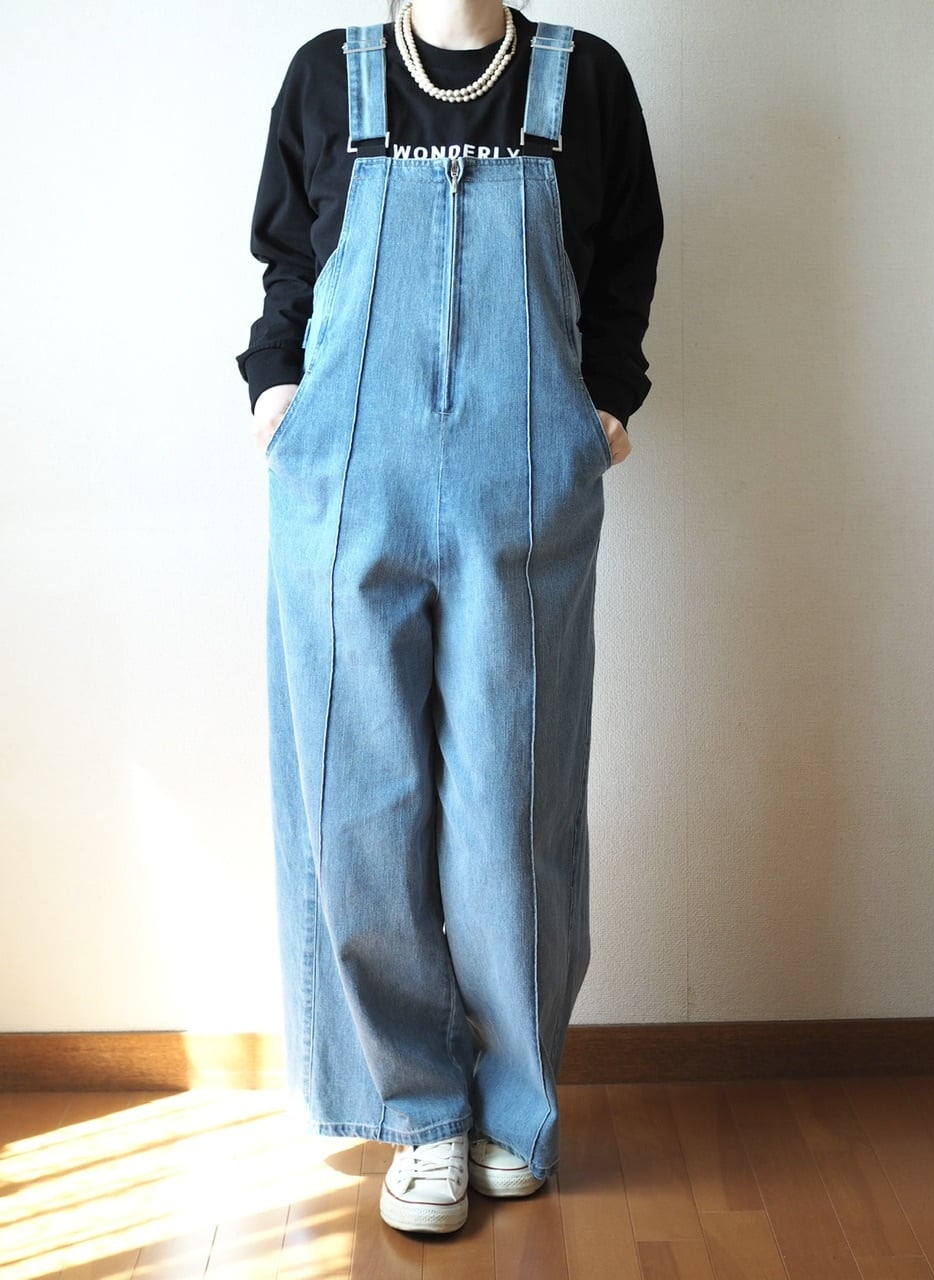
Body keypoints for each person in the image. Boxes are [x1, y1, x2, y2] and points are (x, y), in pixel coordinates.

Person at [237, 0, 662, 1235]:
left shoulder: (584, 80)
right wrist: (275, 388)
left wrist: (608, 395)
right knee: (356, 803)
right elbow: (288, 256)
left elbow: (625, 253)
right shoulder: (330, 76)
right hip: (343, 482)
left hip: (521, 482)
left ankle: (514, 1108)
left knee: (512, 802)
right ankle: (417, 1110)